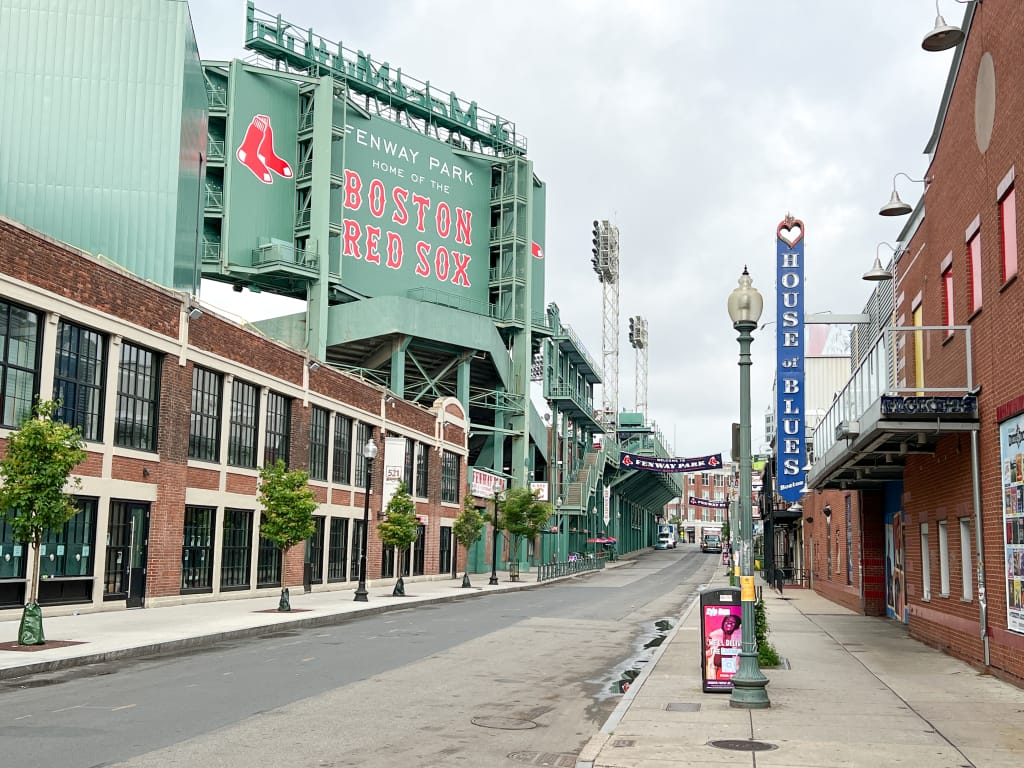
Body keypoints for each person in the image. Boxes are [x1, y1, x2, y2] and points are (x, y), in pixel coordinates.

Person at [705, 613, 741, 680]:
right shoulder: (714, 635)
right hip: (714, 670)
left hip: (733, 670)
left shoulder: (740, 636)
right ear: (723, 623)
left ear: (736, 625)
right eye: (727, 621)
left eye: (733, 622)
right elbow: (707, 651)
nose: (729, 623)